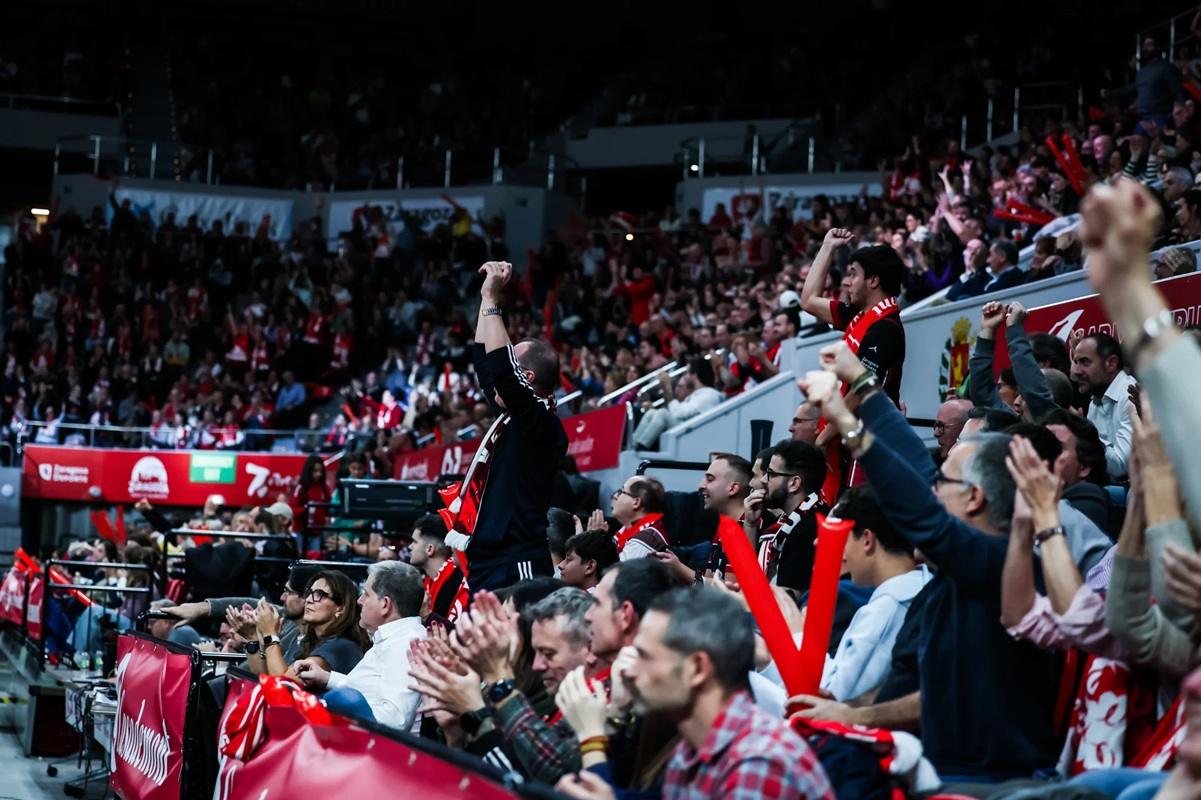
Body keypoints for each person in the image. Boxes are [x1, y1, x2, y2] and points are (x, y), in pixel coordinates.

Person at [800, 343, 1062, 783]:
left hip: (987, 785)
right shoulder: (962, 568)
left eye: (944, 483)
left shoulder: (1003, 565)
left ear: (975, 499)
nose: (931, 488)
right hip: (944, 768)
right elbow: (920, 470)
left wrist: (847, 423)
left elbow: (922, 513)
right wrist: (865, 386)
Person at [573, 585, 834, 800]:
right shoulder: (690, 750)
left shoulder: (758, 763)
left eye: (645, 656)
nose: (627, 671)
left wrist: (592, 743)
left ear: (697, 668)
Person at [445, 260, 569, 590]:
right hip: (488, 559)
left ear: (525, 378)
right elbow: (487, 364)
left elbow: (502, 371)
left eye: (513, 360)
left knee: (518, 643)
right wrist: (488, 300)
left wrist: (494, 305)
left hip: (518, 562)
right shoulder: (514, 414)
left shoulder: (541, 423)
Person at [820, 487, 930, 702]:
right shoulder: (922, 588)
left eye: (841, 537)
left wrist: (796, 634)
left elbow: (833, 698)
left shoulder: (887, 609)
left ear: (867, 539)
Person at [292, 561, 427, 729]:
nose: (359, 601)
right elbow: (369, 688)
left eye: (366, 594)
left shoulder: (406, 643)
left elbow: (395, 720)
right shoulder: (395, 637)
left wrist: (335, 706)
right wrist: (326, 677)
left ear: (385, 605)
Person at [799, 228, 906, 405]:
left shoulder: (885, 328)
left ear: (873, 281)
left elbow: (860, 392)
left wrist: (824, 434)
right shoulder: (858, 315)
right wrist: (827, 247)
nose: (847, 282)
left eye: (853, 274)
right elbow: (808, 301)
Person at [743, 439, 828, 592]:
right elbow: (749, 577)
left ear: (794, 483)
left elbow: (787, 600)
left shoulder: (808, 532)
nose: (763, 480)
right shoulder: (792, 522)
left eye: (770, 474)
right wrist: (750, 524)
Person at [256, 569, 369, 680]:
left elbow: (284, 684)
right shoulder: (309, 640)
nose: (309, 600)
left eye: (319, 594)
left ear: (341, 608)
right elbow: (261, 679)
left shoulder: (341, 647)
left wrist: (270, 634)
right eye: (309, 593)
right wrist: (252, 639)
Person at [1071, 332, 1137, 479]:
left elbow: (1120, 467)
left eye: (1085, 362)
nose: (1076, 372)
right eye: (1076, 363)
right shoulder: (1095, 400)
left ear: (1111, 363)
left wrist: (1085, 433)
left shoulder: (1131, 396)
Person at [633, 357, 723, 450]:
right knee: (651, 413)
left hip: (697, 434)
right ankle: (633, 444)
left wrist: (668, 387)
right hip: (687, 430)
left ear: (694, 375)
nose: (684, 377)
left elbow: (679, 414)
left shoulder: (710, 394)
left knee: (663, 414)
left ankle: (640, 448)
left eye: (687, 373)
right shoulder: (695, 394)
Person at [408, 513, 469, 624]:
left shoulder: (458, 580)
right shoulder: (427, 583)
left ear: (429, 549)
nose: (410, 547)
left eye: (415, 542)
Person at [609, 476, 670, 560]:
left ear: (636, 502)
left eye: (621, 492)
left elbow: (614, 572)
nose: (615, 496)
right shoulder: (628, 529)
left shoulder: (647, 538)